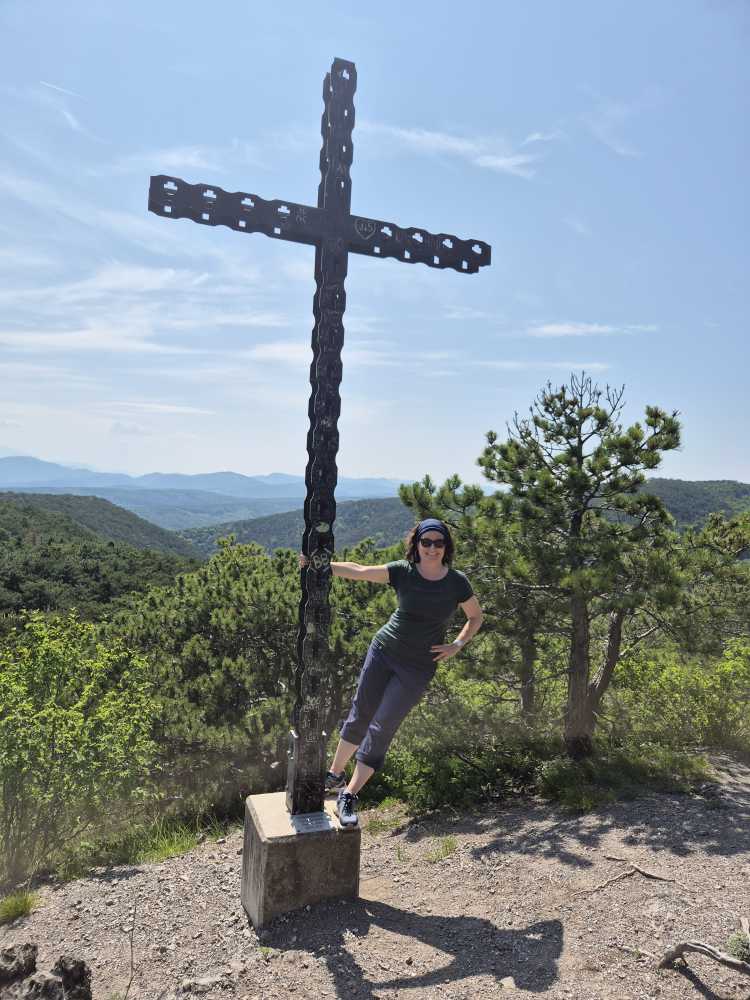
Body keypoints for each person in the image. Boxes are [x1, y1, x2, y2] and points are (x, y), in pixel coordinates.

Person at [299, 518, 483, 827]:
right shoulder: (403, 572)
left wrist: (457, 644)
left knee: (383, 727)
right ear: (417, 544)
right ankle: (334, 774)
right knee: (361, 712)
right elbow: (359, 570)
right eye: (427, 542)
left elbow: (475, 616)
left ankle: (349, 795)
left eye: (439, 543)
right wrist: (320, 565)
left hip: (419, 666)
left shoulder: (457, 582)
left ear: (446, 547)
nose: (433, 548)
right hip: (384, 651)